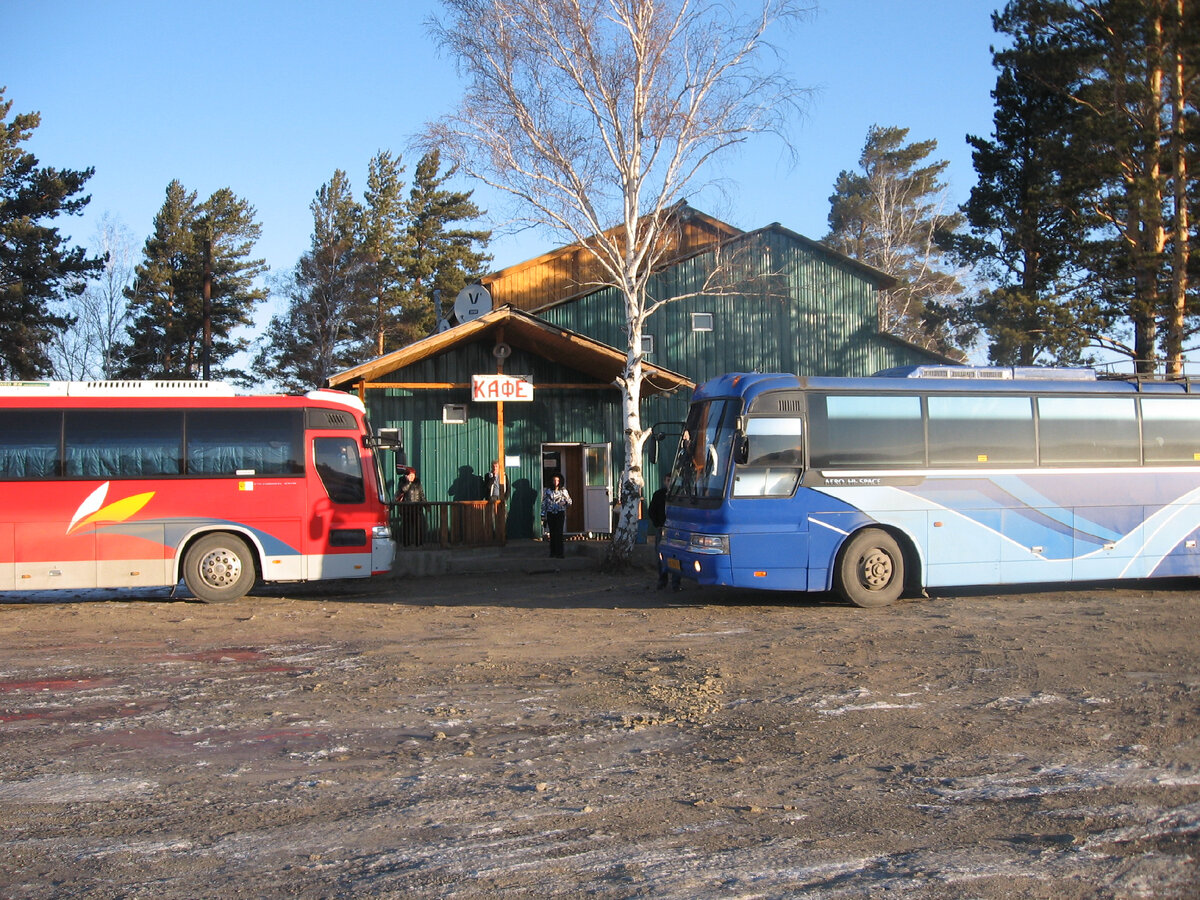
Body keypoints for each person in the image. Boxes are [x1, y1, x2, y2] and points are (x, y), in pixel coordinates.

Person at [648, 475, 681, 591]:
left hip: (676, 531)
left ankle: (676, 583)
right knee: (660, 555)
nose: (670, 483)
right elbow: (651, 511)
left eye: (672, 480)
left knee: (676, 556)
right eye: (668, 480)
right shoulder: (659, 495)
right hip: (662, 529)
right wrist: (658, 524)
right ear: (664, 481)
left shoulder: (680, 495)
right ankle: (662, 580)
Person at [540, 473, 572, 559]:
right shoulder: (547, 491)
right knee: (552, 533)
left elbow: (569, 501)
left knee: (559, 532)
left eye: (557, 480)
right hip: (550, 513)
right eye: (554, 480)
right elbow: (544, 503)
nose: (556, 482)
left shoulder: (563, 491)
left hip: (560, 513)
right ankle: (552, 552)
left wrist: (564, 502)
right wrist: (543, 515)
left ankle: (560, 552)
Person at [397, 467, 427, 546]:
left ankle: (418, 543)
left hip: (417, 507)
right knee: (406, 527)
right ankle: (406, 543)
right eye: (410, 475)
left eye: (413, 475)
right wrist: (409, 482)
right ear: (406, 475)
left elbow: (421, 494)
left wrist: (425, 504)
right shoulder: (402, 481)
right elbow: (403, 490)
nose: (412, 477)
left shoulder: (417, 482)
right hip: (406, 508)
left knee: (418, 526)